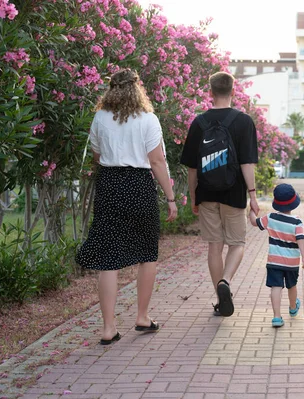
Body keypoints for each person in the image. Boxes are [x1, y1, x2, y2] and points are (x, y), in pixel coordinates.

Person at [76, 69, 177, 345]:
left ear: (111, 89)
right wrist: (170, 197)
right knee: (147, 252)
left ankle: (108, 328)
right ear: (137, 90)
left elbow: (97, 156)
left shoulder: (99, 117)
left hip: (109, 185)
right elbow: (156, 161)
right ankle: (142, 317)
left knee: (109, 257)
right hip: (138, 186)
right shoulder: (148, 119)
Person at [180, 71, 259, 317]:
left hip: (206, 192)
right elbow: (247, 163)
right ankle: (225, 281)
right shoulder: (243, 121)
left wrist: (193, 196)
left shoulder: (198, 122)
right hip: (234, 193)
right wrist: (253, 196)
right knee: (237, 244)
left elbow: (192, 168)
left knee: (215, 247)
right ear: (233, 91)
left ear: (210, 92)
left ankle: (219, 298)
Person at [248, 184, 304, 327]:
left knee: (276, 287)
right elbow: (301, 239)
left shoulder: (270, 218)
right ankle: (293, 308)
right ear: (293, 203)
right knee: (291, 286)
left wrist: (252, 211)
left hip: (274, 261)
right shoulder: (297, 222)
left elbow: (253, 222)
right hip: (292, 263)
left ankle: (276, 317)